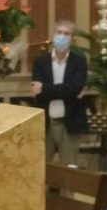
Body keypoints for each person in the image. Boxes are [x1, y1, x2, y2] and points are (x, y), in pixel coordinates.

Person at [32, 20, 88, 166]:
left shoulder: (79, 62)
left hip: (69, 121)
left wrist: (45, 88)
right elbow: (37, 92)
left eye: (66, 34)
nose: (62, 37)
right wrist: (66, 90)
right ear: (53, 35)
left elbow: (75, 88)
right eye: (59, 33)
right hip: (46, 123)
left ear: (72, 39)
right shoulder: (40, 62)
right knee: (42, 168)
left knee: (70, 169)